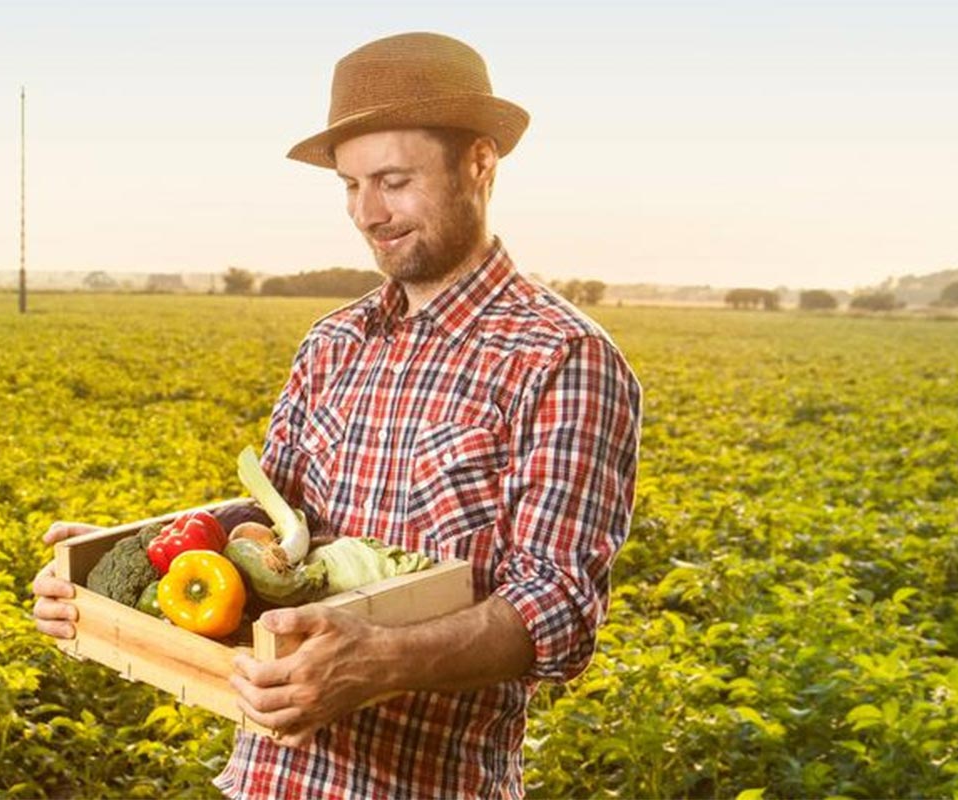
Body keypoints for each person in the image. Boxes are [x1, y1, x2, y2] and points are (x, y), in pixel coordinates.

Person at [31, 31, 642, 799]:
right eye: (350, 186)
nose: (367, 214)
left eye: (392, 180)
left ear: (480, 162)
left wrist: (380, 658)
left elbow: (557, 609)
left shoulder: (561, 357)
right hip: (264, 782)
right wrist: (133, 557)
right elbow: (271, 522)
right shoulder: (334, 342)